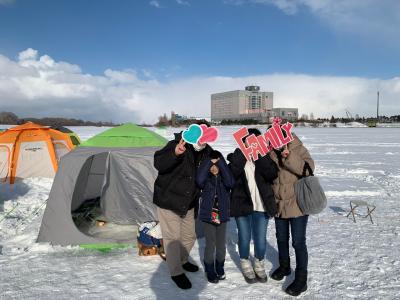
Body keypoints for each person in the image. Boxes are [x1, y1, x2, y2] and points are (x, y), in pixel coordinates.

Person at [153, 126, 213, 290]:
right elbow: (158, 162)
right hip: (169, 200)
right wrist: (175, 153)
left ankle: (182, 260)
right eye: (200, 134)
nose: (203, 138)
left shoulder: (207, 151)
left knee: (189, 236)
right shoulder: (176, 144)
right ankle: (176, 272)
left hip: (189, 202)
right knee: (172, 238)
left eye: (206, 135)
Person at [227, 128, 278, 284]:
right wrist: (243, 154)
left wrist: (260, 155)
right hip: (242, 205)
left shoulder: (264, 157)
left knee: (260, 239)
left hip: (262, 206)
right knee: (244, 237)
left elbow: (272, 174)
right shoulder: (237, 156)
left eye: (255, 140)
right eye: (249, 141)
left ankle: (259, 263)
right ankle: (244, 262)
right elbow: (230, 176)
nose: (252, 143)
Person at [269, 134, 315, 297]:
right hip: (279, 204)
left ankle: (301, 280)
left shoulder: (298, 148)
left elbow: (309, 170)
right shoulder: (271, 152)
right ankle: (284, 266)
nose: (273, 140)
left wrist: (289, 155)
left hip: (297, 204)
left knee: (298, 242)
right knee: (281, 238)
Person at [196, 150, 235, 284]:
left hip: (222, 215)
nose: (214, 167)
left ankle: (220, 266)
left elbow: (231, 182)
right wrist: (208, 162)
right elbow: (199, 180)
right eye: (211, 165)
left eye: (216, 164)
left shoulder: (225, 180)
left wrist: (221, 162)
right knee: (210, 244)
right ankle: (209, 268)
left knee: (220, 244)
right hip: (208, 216)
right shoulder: (206, 180)